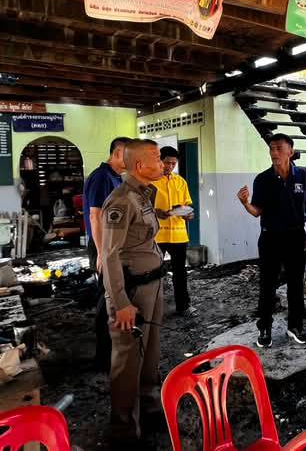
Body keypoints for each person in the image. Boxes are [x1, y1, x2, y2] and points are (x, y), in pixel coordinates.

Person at [100, 139, 165, 445]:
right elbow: (109, 255)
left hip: (151, 285)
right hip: (131, 292)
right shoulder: (121, 201)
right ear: (140, 165)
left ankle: (150, 409)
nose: (163, 163)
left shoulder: (143, 195)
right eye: (158, 158)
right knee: (127, 362)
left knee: (149, 354)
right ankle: (124, 429)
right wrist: (121, 302)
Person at [237, 134, 306, 348]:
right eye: (271, 149)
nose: (274, 153)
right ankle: (265, 328)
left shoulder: (303, 176)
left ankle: (295, 326)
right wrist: (245, 203)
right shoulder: (262, 179)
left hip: (295, 237)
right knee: (267, 285)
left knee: (296, 285)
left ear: (290, 151)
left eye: (279, 148)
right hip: (270, 237)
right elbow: (257, 211)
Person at [83, 136, 131, 372]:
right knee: (107, 297)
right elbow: (95, 216)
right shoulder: (101, 177)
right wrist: (102, 252)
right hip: (104, 247)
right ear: (118, 153)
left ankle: (112, 349)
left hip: (113, 247)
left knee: (114, 295)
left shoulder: (116, 177)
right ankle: (102, 358)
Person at [153, 146, 195, 316]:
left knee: (180, 273)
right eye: (167, 162)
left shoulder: (181, 182)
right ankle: (151, 308)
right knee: (153, 273)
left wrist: (188, 214)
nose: (170, 166)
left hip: (179, 235)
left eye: (173, 163)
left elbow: (187, 204)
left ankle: (183, 306)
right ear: (159, 161)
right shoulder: (150, 182)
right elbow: (141, 207)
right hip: (157, 236)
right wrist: (155, 212)